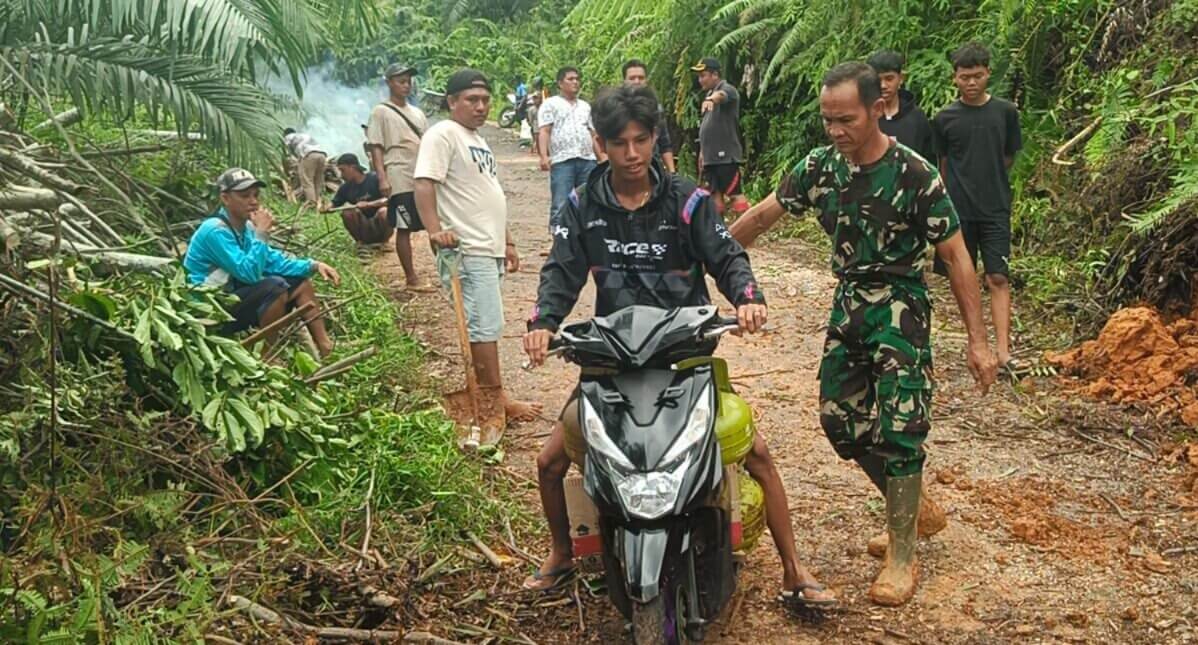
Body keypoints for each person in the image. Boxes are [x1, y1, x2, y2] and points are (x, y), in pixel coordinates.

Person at [520, 84, 837, 609]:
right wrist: (542, 322)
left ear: (654, 139)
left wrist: (748, 298)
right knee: (550, 461)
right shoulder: (582, 205)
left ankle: (793, 569)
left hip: (685, 358)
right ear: (599, 144)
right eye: (619, 143)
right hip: (610, 364)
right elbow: (561, 271)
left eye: (641, 140)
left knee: (756, 453)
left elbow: (727, 256)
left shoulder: (687, 200)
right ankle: (560, 553)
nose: (632, 154)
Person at [728, 62, 998, 606]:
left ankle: (902, 555)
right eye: (827, 120)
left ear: (877, 109)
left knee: (901, 427)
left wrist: (978, 340)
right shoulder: (820, 167)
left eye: (845, 120)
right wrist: (705, 263)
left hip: (901, 307)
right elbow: (760, 217)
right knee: (840, 422)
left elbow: (955, 255)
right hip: (849, 303)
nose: (835, 131)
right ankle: (913, 507)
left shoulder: (914, 174)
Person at [413, 69, 542, 423]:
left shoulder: (478, 140)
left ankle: (492, 395)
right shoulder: (443, 134)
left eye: (485, 100)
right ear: (452, 101)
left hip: (489, 246)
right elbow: (424, 183)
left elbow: (489, 192)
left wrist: (508, 240)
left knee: (487, 324)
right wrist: (434, 231)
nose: (481, 107)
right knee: (483, 327)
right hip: (467, 248)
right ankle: (493, 399)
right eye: (472, 100)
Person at [932, 42, 1023, 375]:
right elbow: (943, 164)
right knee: (963, 277)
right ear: (954, 78)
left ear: (988, 74)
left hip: (995, 206)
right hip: (959, 210)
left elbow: (1008, 156)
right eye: (965, 77)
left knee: (998, 276)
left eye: (978, 76)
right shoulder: (944, 118)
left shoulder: (1005, 112)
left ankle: (1004, 352)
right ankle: (975, 340)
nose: (971, 83)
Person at [184, 168, 341, 357]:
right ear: (225, 198)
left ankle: (325, 347)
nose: (253, 201)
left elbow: (272, 261)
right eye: (245, 196)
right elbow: (248, 273)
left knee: (300, 283)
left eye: (256, 195)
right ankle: (268, 357)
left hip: (230, 298)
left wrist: (313, 265)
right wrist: (262, 233)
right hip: (209, 310)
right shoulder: (215, 230)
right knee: (275, 287)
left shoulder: (247, 228)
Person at [366, 62, 432, 291]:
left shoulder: (417, 113)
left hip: (421, 172)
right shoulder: (380, 112)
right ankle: (411, 278)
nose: (406, 85)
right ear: (389, 83)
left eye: (408, 81)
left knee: (433, 223)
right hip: (398, 173)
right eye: (401, 81)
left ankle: (446, 274)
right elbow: (376, 147)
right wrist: (382, 178)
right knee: (404, 226)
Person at [537, 66, 604, 230]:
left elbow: (593, 134)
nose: (575, 82)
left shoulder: (585, 107)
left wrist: (601, 157)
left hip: (587, 160)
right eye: (570, 79)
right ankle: (559, 237)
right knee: (561, 202)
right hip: (562, 161)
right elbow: (545, 131)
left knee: (588, 200)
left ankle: (586, 236)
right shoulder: (550, 104)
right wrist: (544, 156)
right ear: (560, 83)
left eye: (577, 79)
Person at [691, 57, 749, 217]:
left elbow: (722, 95)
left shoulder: (727, 89)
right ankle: (719, 229)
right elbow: (707, 128)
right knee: (714, 197)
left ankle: (748, 226)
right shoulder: (708, 95)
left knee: (735, 194)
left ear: (715, 75)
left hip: (726, 157)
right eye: (699, 76)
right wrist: (702, 153)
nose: (700, 80)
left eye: (703, 75)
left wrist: (712, 99)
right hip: (710, 159)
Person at [867, 50, 935, 163]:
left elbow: (928, 160)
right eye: (878, 80)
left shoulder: (916, 117)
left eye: (889, 79)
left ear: (901, 78)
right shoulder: (865, 117)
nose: (883, 85)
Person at [621, 58, 677, 173]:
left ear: (646, 80)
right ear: (624, 81)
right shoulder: (615, 109)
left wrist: (672, 172)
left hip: (652, 167)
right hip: (624, 167)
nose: (637, 81)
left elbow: (665, 144)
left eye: (641, 78)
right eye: (632, 78)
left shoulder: (656, 109)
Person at [325, 153, 391, 246]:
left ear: (352, 167)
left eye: (343, 170)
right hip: (363, 226)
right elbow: (335, 203)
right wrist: (327, 207)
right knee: (347, 213)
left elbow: (390, 200)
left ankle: (384, 242)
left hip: (379, 224)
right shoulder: (345, 188)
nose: (341, 175)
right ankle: (361, 243)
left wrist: (369, 204)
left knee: (384, 212)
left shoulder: (375, 179)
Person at [282, 128, 328, 209]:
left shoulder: (288, 137)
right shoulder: (304, 135)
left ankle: (311, 203)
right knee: (318, 180)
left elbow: (287, 153)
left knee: (307, 180)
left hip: (309, 155)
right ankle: (318, 202)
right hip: (322, 155)